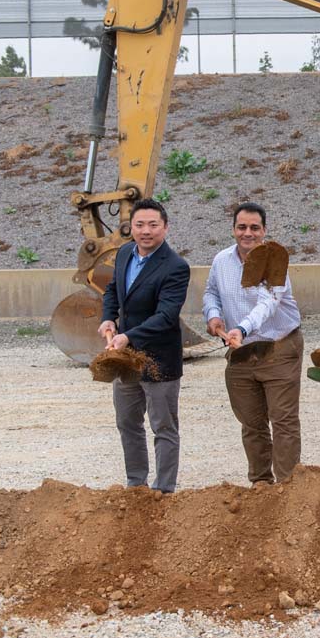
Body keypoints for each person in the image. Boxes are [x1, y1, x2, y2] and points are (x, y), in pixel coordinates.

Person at [203, 202, 304, 485]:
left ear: (264, 231)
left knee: (283, 420)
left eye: (254, 228)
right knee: (251, 422)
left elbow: (268, 303)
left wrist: (242, 328)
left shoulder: (274, 260)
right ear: (233, 229)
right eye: (242, 227)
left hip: (279, 347)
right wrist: (213, 317)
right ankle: (260, 484)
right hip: (241, 351)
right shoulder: (221, 260)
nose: (247, 233)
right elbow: (211, 292)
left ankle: (288, 487)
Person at [98, 198, 190, 493]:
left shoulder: (176, 267)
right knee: (127, 421)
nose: (146, 231)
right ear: (131, 228)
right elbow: (113, 289)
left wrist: (129, 337)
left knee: (163, 426)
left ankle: (163, 489)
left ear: (166, 227)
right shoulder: (125, 253)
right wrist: (108, 318)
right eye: (139, 225)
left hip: (159, 359)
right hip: (126, 358)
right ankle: (136, 483)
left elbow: (166, 316)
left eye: (153, 225)